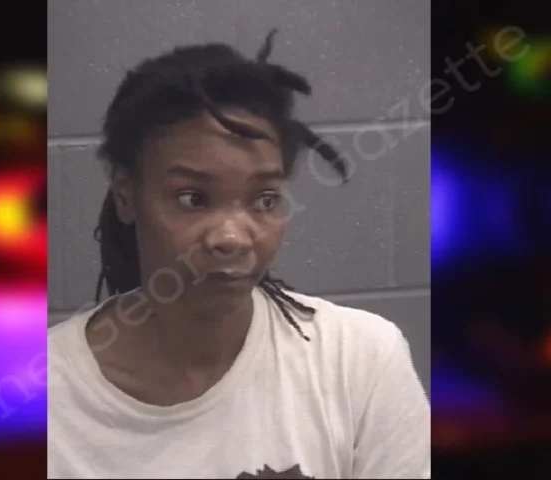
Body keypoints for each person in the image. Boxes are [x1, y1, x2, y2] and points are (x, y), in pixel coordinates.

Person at [48, 30, 430, 479]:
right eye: (193, 198)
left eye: (264, 199)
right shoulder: (39, 398)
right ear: (126, 195)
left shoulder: (360, 360)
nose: (232, 237)